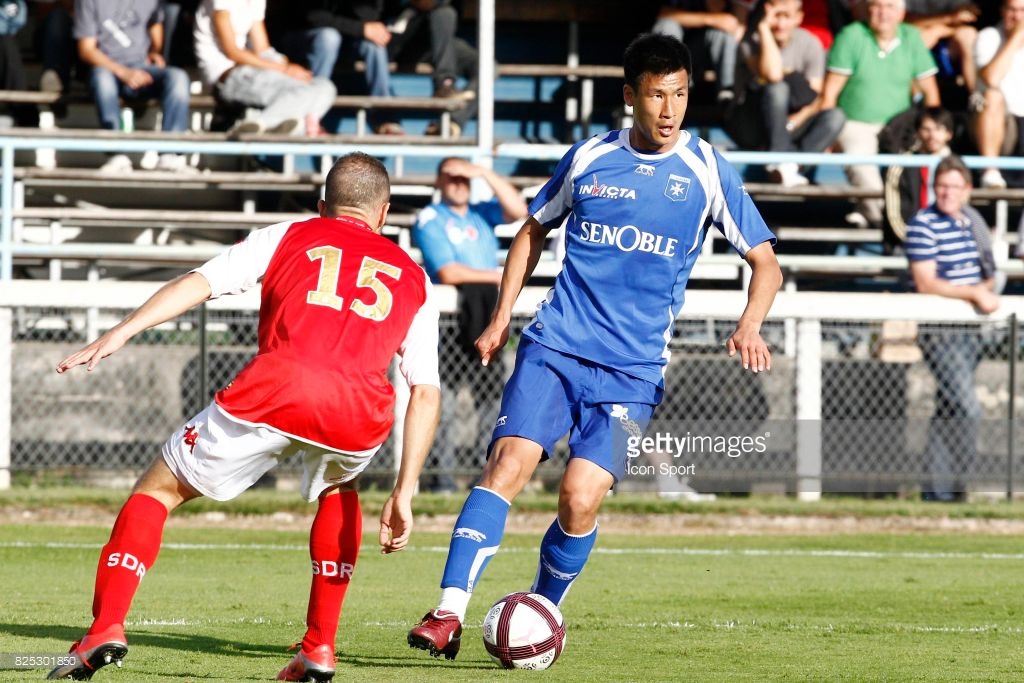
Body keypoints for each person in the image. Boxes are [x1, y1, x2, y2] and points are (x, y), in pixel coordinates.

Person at [407, 32, 781, 660]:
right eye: (657, 95)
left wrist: (750, 323)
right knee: (507, 465)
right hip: (554, 346)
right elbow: (530, 232)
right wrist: (502, 318)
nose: (669, 110)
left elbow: (766, 263)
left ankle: (541, 610)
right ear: (630, 95)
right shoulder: (588, 158)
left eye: (680, 95)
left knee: (580, 498)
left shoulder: (707, 170)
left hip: (632, 374)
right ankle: (448, 612)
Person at [47, 152, 442, 682]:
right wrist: (406, 489)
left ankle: (106, 629)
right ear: (385, 214)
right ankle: (320, 646)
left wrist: (119, 332)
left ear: (321, 205)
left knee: (159, 490)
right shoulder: (416, 277)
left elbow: (197, 282)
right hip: (358, 412)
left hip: (274, 391)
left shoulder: (290, 234)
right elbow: (425, 392)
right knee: (338, 489)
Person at [412, 157, 528, 492]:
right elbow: (449, 272)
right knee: (444, 403)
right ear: (438, 182)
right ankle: (442, 480)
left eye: (464, 178)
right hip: (452, 320)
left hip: (488, 315)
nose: (459, 184)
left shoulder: (480, 212)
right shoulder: (431, 218)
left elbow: (518, 209)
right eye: (451, 177)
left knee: (491, 401)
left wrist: (484, 173)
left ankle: (484, 477)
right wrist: (497, 276)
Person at [905, 154, 998, 502]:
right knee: (966, 406)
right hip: (941, 331)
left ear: (967, 190)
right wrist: (973, 292)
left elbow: (987, 269)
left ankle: (939, 492)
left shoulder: (972, 220)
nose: (947, 193)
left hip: (970, 329)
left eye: (954, 186)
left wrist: (984, 287)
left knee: (948, 408)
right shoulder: (923, 224)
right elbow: (925, 281)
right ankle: (967, 481)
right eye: (941, 186)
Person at [820, 0, 940, 229]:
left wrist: (931, 131)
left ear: (902, 13)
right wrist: (829, 135)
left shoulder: (912, 37)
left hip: (899, 128)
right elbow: (830, 92)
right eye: (877, 5)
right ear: (868, 9)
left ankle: (884, 218)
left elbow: (931, 94)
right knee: (860, 164)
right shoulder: (851, 35)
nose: (883, 12)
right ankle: (885, 223)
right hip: (855, 122)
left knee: (919, 167)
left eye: (890, 6)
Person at [725, 0, 846, 186]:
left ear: (799, 18)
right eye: (776, 16)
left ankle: (791, 168)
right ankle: (779, 159)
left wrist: (794, 121)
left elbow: (817, 97)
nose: (780, 24)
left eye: (786, 16)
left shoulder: (810, 43)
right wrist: (764, 28)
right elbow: (772, 75)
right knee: (777, 89)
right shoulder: (751, 41)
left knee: (835, 116)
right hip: (752, 124)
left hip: (791, 123)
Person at [74, 0, 194, 173]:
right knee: (101, 79)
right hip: (107, 68)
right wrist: (123, 72)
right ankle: (116, 154)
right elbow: (86, 49)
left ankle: (170, 153)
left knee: (178, 77)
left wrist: (154, 51)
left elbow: (155, 24)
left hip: (141, 67)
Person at [192, 0, 336, 137]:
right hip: (229, 76)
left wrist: (287, 65)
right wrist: (284, 69)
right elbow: (232, 51)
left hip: (256, 72)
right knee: (302, 91)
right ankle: (272, 124)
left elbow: (262, 49)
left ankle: (263, 124)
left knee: (325, 86)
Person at [971, 0, 1024, 189]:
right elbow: (991, 78)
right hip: (1001, 124)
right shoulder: (989, 36)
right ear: (1002, 11)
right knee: (992, 96)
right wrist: (1017, 37)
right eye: (1012, 10)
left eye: (1022, 11)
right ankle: (990, 172)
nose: (1017, 17)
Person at [652, 0, 748, 102]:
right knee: (667, 26)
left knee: (723, 34)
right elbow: (663, 14)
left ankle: (728, 93)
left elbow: (723, 15)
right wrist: (710, 19)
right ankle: (671, 86)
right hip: (673, 58)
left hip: (701, 53)